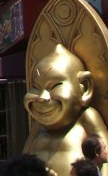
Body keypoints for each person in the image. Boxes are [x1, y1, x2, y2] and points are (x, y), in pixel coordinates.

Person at [23, 44, 108, 175]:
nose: (41, 97)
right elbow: (22, 162)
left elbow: (104, 158)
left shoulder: (86, 117)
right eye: (36, 88)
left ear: (85, 87)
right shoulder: (38, 126)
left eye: (54, 86)